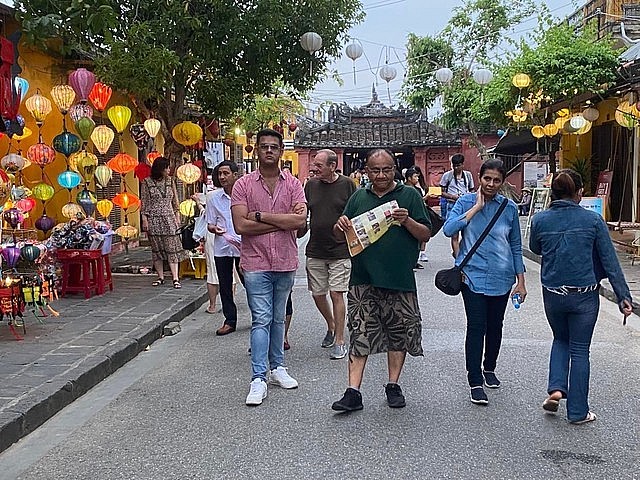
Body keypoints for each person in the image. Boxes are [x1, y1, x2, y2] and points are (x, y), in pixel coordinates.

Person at [529, 169, 633, 424]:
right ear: (579, 193)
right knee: (580, 350)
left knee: (560, 339)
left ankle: (555, 388)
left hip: (553, 294)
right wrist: (623, 296)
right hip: (584, 296)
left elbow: (534, 248)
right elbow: (609, 260)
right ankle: (577, 412)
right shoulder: (593, 220)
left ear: (553, 192)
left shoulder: (541, 220)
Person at [331, 148, 431, 411]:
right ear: (366, 171)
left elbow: (425, 233)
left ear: (394, 169)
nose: (381, 175)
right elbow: (340, 234)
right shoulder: (358, 197)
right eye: (375, 170)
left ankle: (393, 384)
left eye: (386, 169)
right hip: (362, 277)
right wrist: (340, 225)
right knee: (360, 331)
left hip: (399, 277)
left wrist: (407, 220)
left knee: (398, 333)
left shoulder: (409, 195)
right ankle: (353, 391)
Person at [231, 128, 307, 406]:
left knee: (277, 318)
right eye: (264, 147)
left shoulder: (293, 184)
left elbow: (299, 222)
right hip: (256, 262)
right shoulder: (243, 185)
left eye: (274, 147)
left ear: (280, 151)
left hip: (285, 260)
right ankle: (258, 378)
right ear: (256, 150)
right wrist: (282, 220)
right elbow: (241, 226)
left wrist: (261, 216)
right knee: (261, 319)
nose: (270, 151)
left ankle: (278, 367)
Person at [443, 158, 526, 406]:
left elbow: (516, 246)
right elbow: (449, 229)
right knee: (477, 326)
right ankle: (475, 380)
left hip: (502, 277)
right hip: (472, 276)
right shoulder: (465, 202)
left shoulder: (508, 208)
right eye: (487, 178)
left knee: (496, 325)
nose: (491, 184)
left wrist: (521, 281)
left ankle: (489, 367)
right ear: (479, 178)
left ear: (502, 183)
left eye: (496, 180)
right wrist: (476, 208)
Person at [305, 149, 356, 359]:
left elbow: (356, 212)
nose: (314, 168)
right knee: (317, 294)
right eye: (314, 164)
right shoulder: (310, 185)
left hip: (340, 249)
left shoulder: (347, 185)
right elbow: (303, 212)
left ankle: (340, 339)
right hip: (315, 248)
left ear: (332, 166)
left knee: (337, 293)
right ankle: (332, 325)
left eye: (319, 165)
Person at [207, 161, 244, 335]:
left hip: (243, 246)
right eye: (220, 173)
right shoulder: (214, 198)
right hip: (222, 247)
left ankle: (259, 317)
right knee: (225, 284)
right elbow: (210, 224)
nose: (222, 177)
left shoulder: (245, 195)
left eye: (226, 173)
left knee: (250, 283)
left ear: (235, 175)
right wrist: (214, 229)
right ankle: (230, 320)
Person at [140, 156, 188, 289]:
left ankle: (175, 278)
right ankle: (160, 276)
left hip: (169, 217)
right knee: (156, 249)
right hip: (154, 218)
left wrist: (177, 215)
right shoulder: (146, 182)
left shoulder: (170, 181)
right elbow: (145, 201)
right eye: (166, 167)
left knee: (171, 247)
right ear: (160, 168)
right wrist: (145, 219)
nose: (168, 170)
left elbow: (175, 201)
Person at [440, 153, 475, 257]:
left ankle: (458, 253)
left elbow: (472, 189)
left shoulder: (468, 175)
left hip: (466, 206)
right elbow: (441, 192)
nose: (456, 168)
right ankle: (458, 262)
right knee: (454, 235)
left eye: (458, 165)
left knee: (467, 233)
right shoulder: (447, 176)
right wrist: (452, 197)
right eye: (454, 165)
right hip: (452, 205)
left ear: (462, 164)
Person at [404, 167, 427, 268]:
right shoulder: (404, 190)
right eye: (415, 177)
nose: (417, 179)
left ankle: (414, 260)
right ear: (409, 178)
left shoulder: (417, 189)